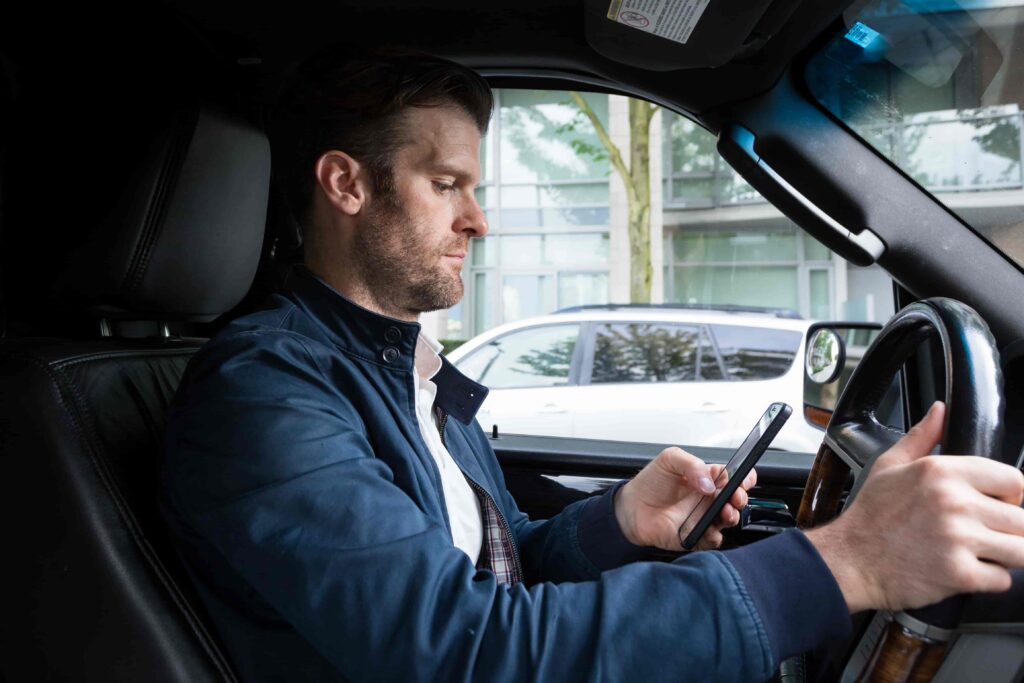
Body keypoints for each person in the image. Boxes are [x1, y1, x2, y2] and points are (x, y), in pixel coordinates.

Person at [160, 48, 1024, 682]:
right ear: (346, 185)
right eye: (447, 184)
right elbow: (465, 649)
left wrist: (617, 521)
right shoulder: (266, 394)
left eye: (479, 190)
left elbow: (489, 574)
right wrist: (847, 562)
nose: (479, 222)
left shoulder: (398, 370)